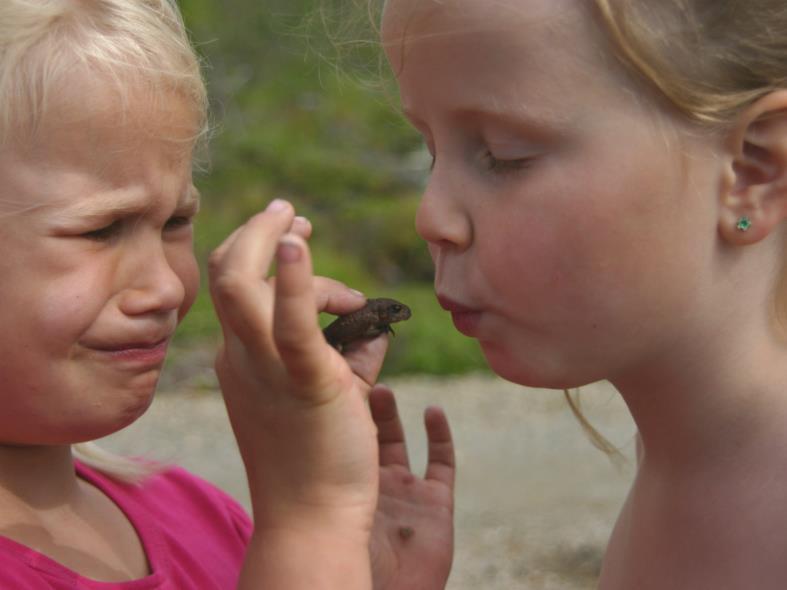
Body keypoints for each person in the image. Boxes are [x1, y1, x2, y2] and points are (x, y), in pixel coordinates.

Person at [209, 0, 787, 587]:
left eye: (504, 156)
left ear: (751, 171)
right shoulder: (684, 460)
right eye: (432, 152)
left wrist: (310, 522)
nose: (430, 217)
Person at [0, 1, 455, 588]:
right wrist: (310, 521)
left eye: (175, 222)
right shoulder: (282, 522)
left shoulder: (201, 514)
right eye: (100, 229)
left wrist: (353, 567)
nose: (165, 286)